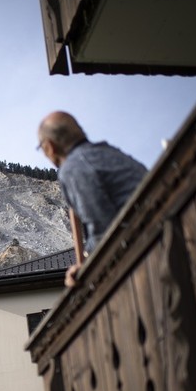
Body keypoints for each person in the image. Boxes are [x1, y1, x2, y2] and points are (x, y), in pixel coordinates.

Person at [37, 111, 147, 287]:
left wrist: (84, 267)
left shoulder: (72, 168)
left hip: (144, 256)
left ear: (49, 146)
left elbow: (103, 231)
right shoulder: (111, 153)